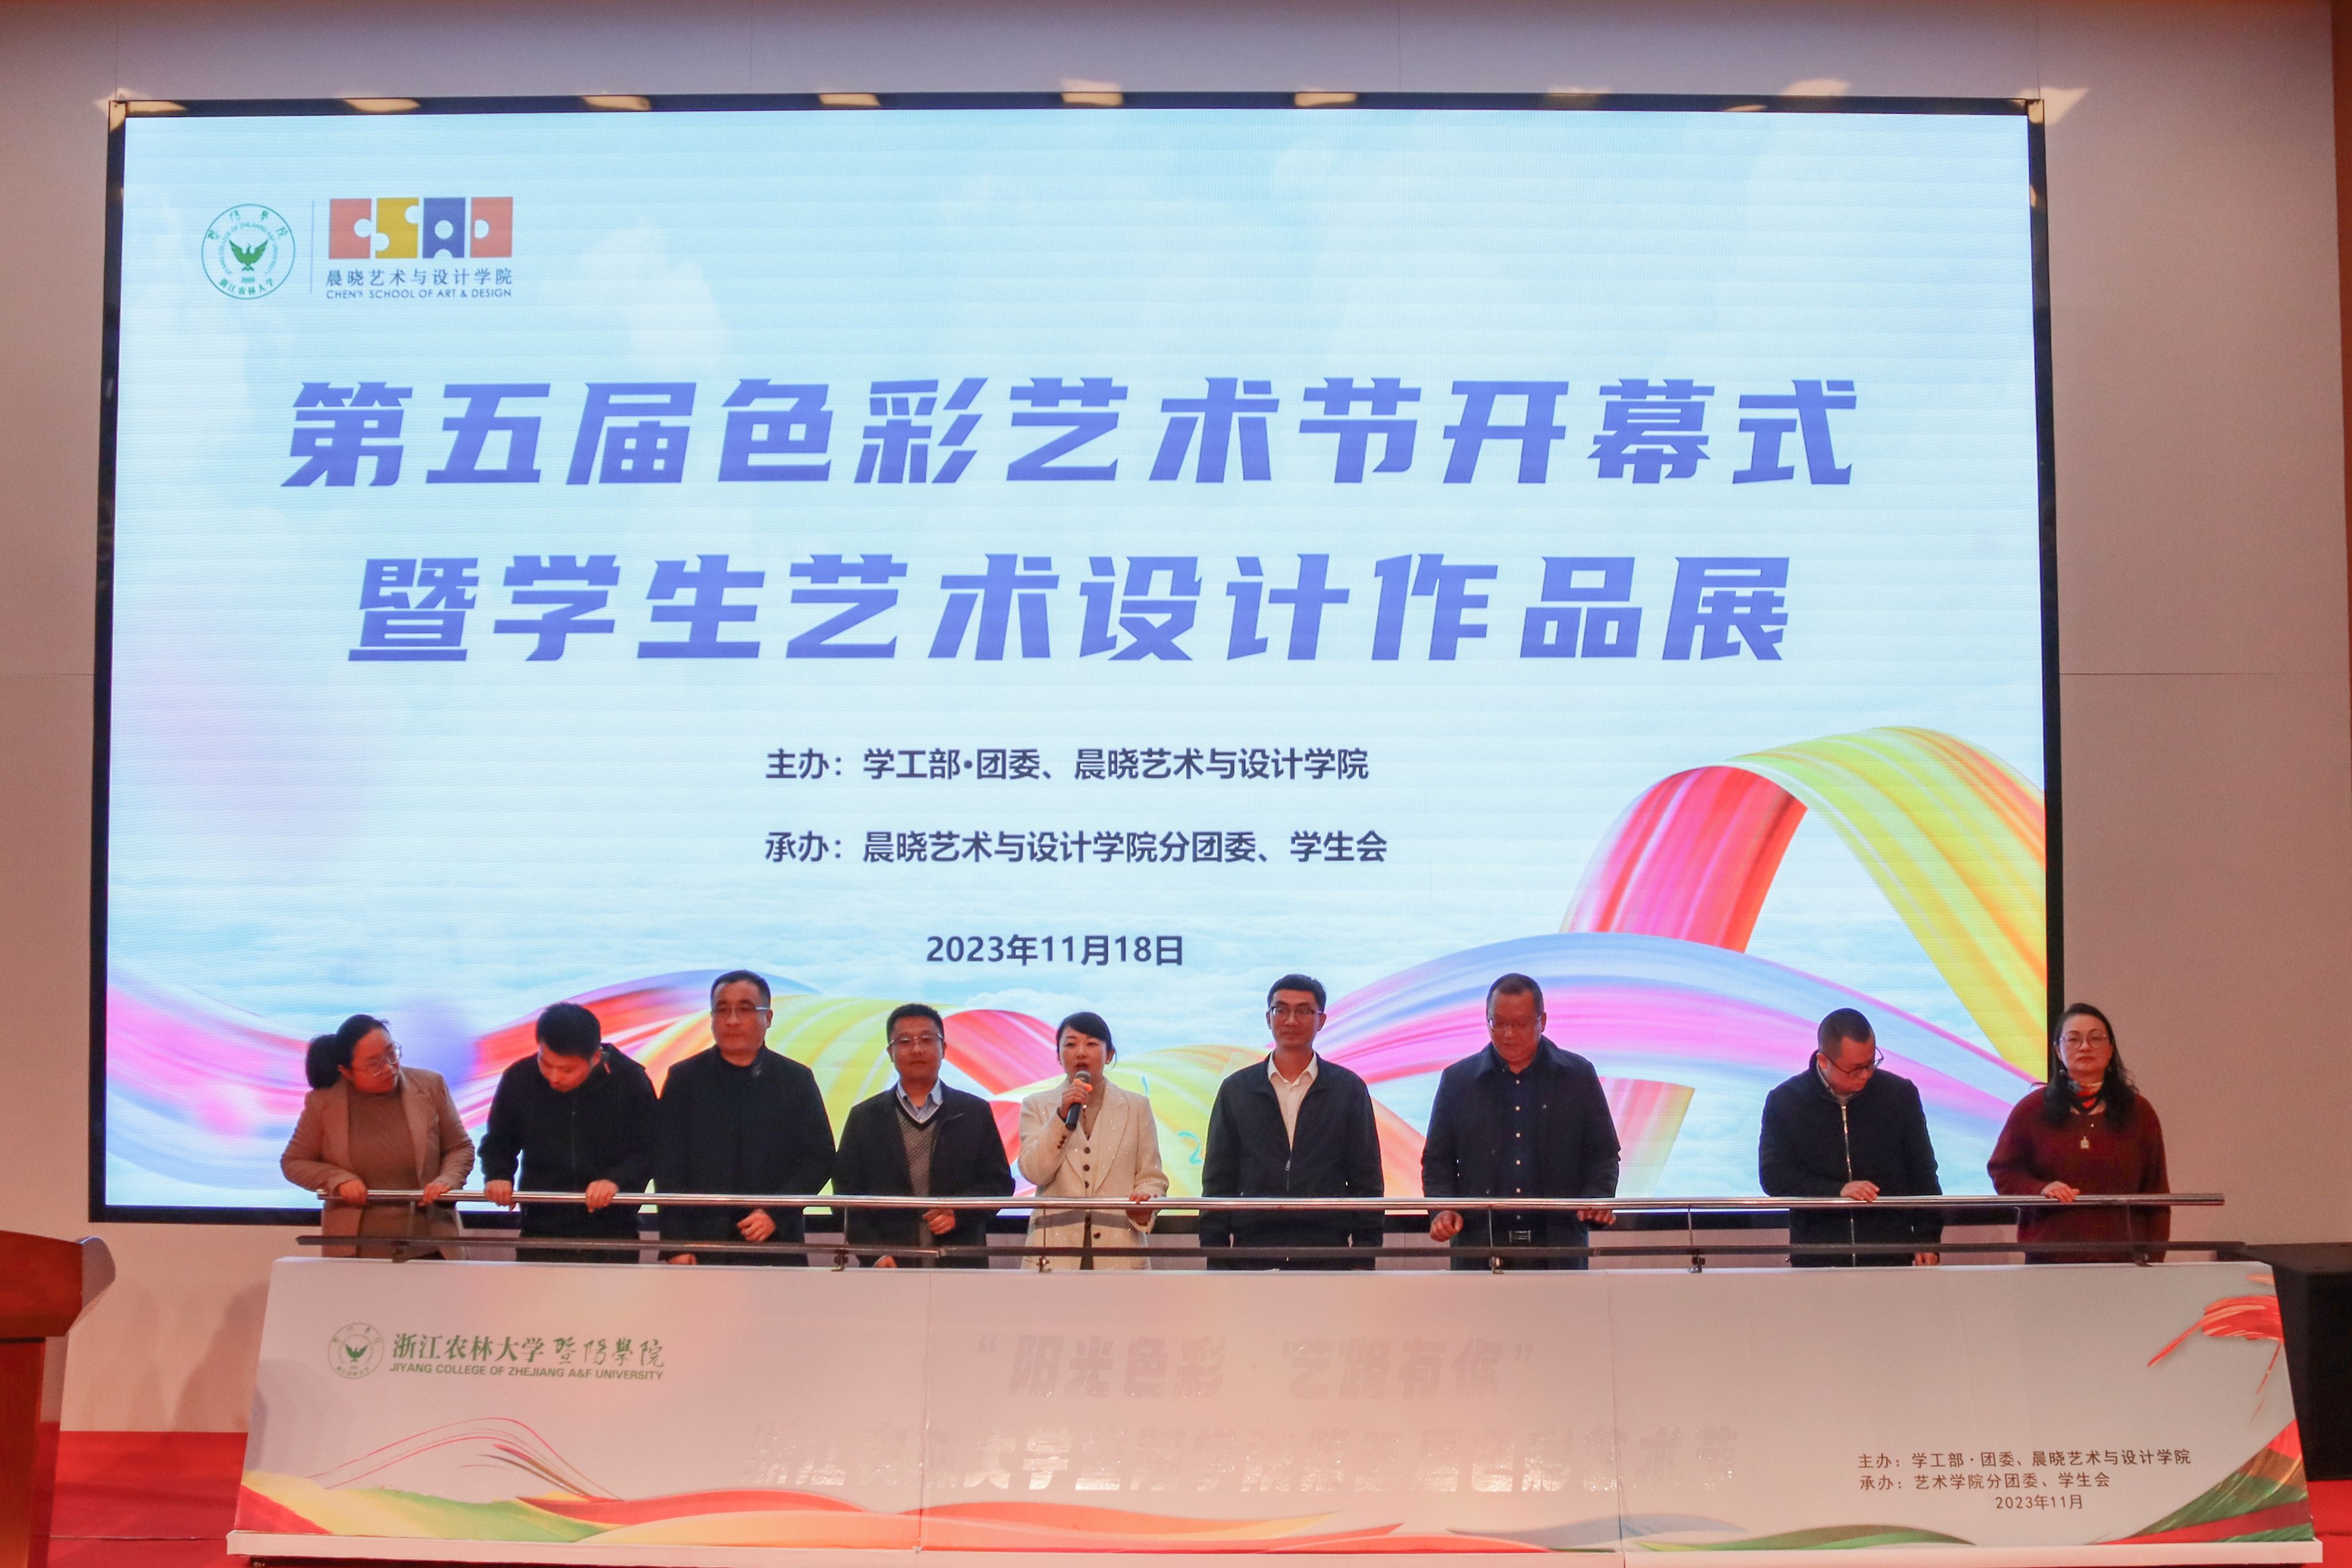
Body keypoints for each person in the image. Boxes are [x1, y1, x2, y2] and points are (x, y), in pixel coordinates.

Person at [1422, 974, 1620, 1269]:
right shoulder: (1458, 1081)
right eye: (1498, 1023)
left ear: (1542, 1021)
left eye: (1520, 1024)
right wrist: (1443, 1209)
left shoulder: (1577, 1077)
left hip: (1559, 1248)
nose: (1508, 1034)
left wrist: (1596, 1200)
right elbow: (1438, 1161)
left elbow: (1603, 1154)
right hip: (1478, 1247)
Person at [1199, 974, 1384, 1269]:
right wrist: (1217, 1258)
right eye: (1281, 1010)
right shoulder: (1237, 1089)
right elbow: (1218, 1180)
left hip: (1328, 1252)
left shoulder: (1347, 1089)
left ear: (1321, 1020)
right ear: (1268, 1018)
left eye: (1304, 1011)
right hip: (1252, 1251)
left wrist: (1364, 1259)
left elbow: (1367, 1180)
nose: (1291, 1020)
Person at [657, 970, 835, 1265]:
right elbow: (668, 1165)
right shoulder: (684, 1079)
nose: (732, 1020)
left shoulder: (795, 1080)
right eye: (722, 1010)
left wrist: (776, 1212)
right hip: (699, 1244)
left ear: (768, 1017)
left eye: (745, 1009)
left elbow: (820, 1158)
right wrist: (676, 1243)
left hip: (774, 1240)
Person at [1758, 1008, 1944, 1267]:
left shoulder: (1900, 1095)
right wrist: (1837, 1191)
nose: (1866, 1074)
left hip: (1890, 1256)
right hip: (1818, 1259)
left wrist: (1928, 1237)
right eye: (1855, 1069)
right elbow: (1774, 1177)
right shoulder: (1786, 1101)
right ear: (1823, 1061)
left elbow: (1923, 1173)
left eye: (1871, 1063)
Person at [832, 1004, 1013, 1267]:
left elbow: (998, 1184)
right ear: (890, 1052)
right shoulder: (865, 1117)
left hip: (960, 1263)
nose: (917, 1049)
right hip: (889, 1266)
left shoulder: (974, 1112)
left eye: (927, 1039)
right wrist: (874, 1253)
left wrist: (960, 1212)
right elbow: (846, 1196)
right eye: (905, 1041)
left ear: (944, 1049)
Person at [281, 1013, 474, 1258]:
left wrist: (448, 1180)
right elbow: (294, 1162)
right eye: (373, 1064)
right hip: (356, 1252)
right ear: (347, 1071)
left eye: (392, 1054)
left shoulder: (431, 1085)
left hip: (432, 1245)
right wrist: (337, 1180)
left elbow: (459, 1147)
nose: (389, 1068)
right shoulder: (323, 1103)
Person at [1989, 1003, 2169, 1263]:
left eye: (2096, 1038)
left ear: (2111, 1050)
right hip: (2049, 1261)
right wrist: (2040, 1189)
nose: (2085, 1047)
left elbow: (2157, 1193)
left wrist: (2155, 1259)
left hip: (2123, 1262)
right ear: (2058, 1051)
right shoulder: (2031, 1109)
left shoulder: (2139, 1112)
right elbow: (2003, 1171)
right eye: (2073, 1039)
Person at [480, 1001, 658, 1263]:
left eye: (567, 1070)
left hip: (612, 1232)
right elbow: (499, 1140)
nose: (554, 1077)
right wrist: (498, 1175)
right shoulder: (519, 1078)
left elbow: (650, 1149)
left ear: (595, 1058)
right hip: (540, 1232)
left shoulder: (629, 1080)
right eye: (545, 1063)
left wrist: (616, 1180)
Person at [1015, 1011, 1168, 1269]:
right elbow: (1035, 1172)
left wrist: (1145, 1204)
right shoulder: (1037, 1106)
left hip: (1120, 1253)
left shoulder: (1136, 1107)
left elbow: (1152, 1177)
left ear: (1109, 1055)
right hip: (1052, 1255)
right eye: (1070, 1044)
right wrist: (1061, 1116)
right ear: (1058, 1055)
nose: (1081, 1053)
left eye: (1092, 1044)